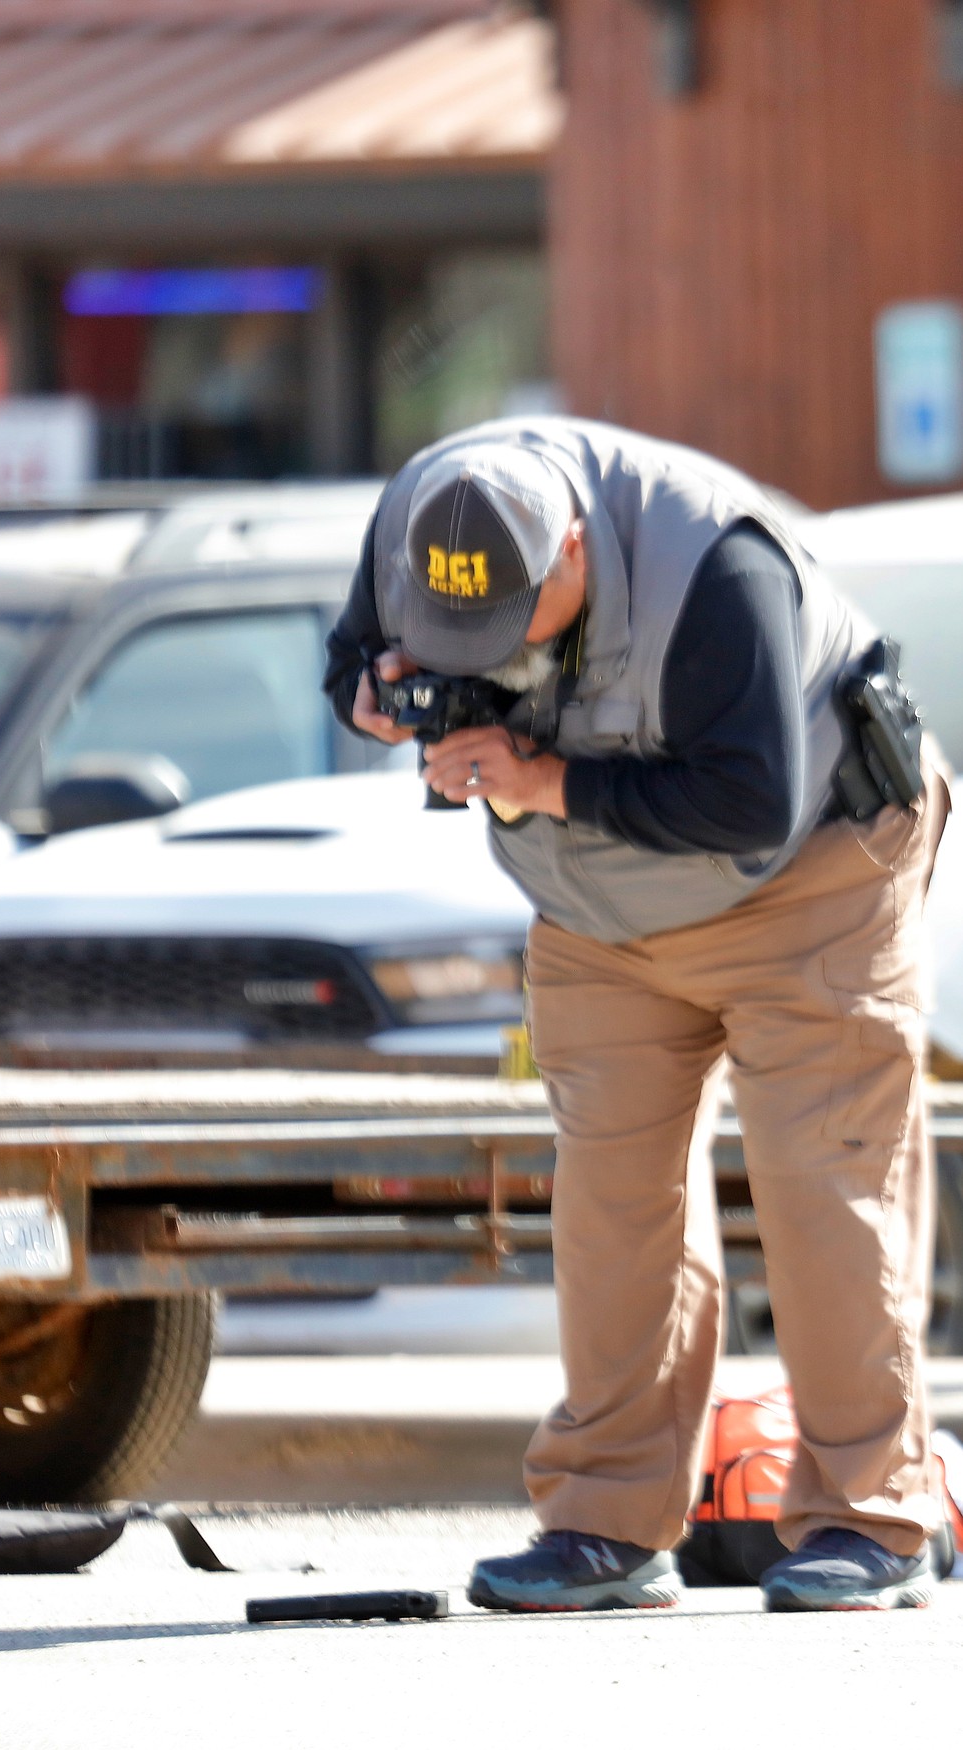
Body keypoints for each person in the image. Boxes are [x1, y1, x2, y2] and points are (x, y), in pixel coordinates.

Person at [324, 416, 950, 1614]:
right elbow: (351, 658)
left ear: (571, 549)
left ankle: (868, 1516)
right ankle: (607, 1522)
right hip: (601, 910)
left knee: (823, 1186)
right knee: (611, 1205)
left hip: (813, 875)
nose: (486, 652)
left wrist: (542, 776)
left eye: (509, 625)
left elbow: (752, 800)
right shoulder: (424, 519)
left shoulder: (716, 565)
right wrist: (382, 701)